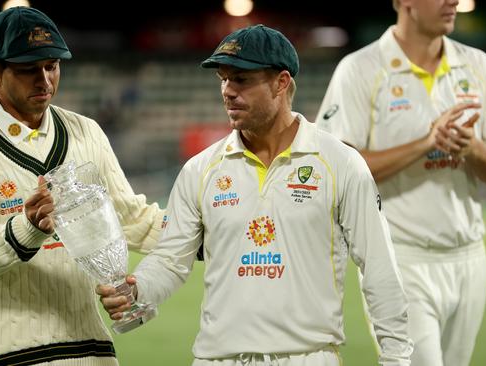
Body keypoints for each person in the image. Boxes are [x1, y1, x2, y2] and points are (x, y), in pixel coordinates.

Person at [98, 24, 413, 365]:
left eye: (242, 79)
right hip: (217, 358)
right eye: (223, 78)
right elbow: (171, 260)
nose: (228, 91)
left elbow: (379, 268)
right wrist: (138, 288)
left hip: (306, 357)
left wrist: (396, 358)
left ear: (281, 82)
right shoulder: (200, 169)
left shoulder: (340, 163)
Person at [0, 6, 164, 366]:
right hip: (4, 356)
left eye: (52, 66)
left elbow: (132, 218)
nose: (44, 81)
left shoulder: (87, 133)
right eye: (27, 70)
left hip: (91, 352)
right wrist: (25, 229)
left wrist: (211, 234)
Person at [315, 1, 486, 365]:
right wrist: (427, 143)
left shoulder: (479, 66)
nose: (453, 2)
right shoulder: (360, 69)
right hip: (400, 258)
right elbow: (336, 172)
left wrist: (471, 147)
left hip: (470, 256)